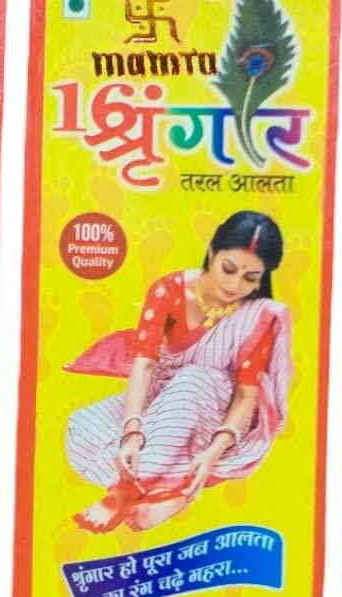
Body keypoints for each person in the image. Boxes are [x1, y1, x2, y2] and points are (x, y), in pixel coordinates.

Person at [66, 211, 290, 535]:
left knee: (192, 380)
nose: (234, 285)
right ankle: (173, 490)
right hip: (165, 392)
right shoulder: (168, 291)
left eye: (250, 278)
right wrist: (131, 432)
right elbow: (144, 363)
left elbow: (246, 393)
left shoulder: (258, 316)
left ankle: (126, 491)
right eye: (228, 269)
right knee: (83, 424)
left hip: (220, 410)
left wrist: (213, 453)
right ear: (212, 252)